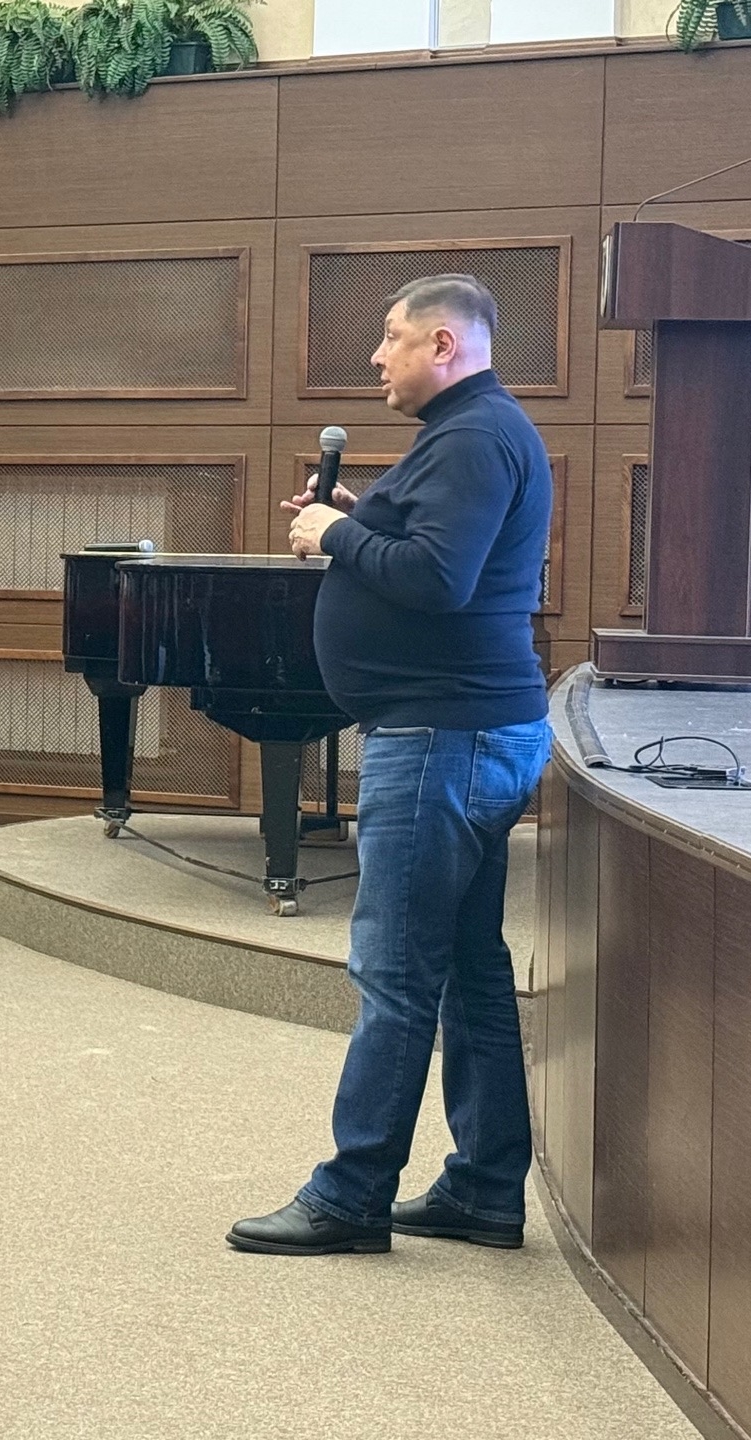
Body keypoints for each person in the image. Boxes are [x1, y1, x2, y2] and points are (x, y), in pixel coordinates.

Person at [228, 275, 555, 1257]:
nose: (377, 357)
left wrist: (337, 533)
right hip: (468, 730)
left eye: (391, 337)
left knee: (396, 972)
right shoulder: (476, 431)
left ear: (443, 346)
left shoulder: (470, 436)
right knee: (466, 967)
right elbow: (433, 551)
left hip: (442, 738)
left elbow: (438, 579)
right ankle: (483, 1189)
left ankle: (350, 1195)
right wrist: (360, 519)